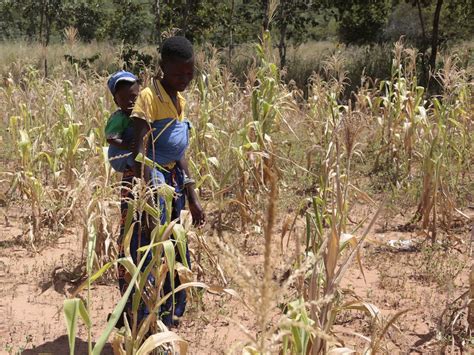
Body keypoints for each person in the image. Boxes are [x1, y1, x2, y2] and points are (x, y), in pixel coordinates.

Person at [117, 36, 204, 328]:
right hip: (152, 182)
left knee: (175, 247)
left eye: (190, 73)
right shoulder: (149, 98)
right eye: (179, 73)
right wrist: (151, 196)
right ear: (163, 67)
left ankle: (169, 313)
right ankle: (141, 320)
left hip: (173, 181)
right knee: (147, 249)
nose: (185, 79)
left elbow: (178, 151)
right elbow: (142, 152)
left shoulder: (178, 99)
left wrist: (192, 194)